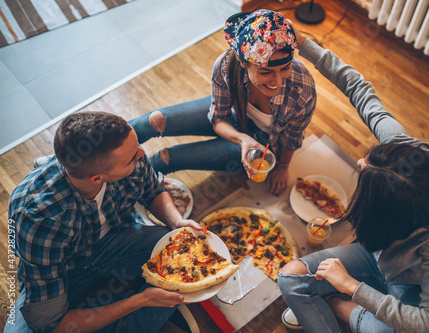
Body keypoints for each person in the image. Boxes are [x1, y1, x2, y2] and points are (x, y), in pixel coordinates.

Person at [277, 26, 429, 332]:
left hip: (406, 287)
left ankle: (340, 308)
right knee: (289, 277)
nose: (359, 161)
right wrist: (304, 43)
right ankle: (342, 308)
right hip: (372, 256)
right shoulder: (403, 150)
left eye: (364, 172)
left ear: (389, 213)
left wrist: (352, 289)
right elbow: (358, 87)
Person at [6, 111, 202, 332]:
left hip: (117, 239)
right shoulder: (38, 219)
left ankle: (126, 307)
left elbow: (152, 190)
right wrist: (141, 301)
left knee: (185, 253)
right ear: (96, 179)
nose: (141, 154)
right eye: (132, 157)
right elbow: (52, 324)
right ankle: (132, 302)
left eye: (136, 146)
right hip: (64, 271)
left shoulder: (128, 154)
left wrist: (176, 222)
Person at [129, 9, 317, 195]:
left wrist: (282, 167)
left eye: (285, 68)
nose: (277, 82)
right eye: (265, 72)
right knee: (155, 120)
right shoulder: (226, 64)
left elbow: (291, 138)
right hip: (232, 116)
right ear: (244, 63)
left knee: (166, 158)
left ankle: (129, 189)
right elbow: (219, 119)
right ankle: (105, 156)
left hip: (262, 142)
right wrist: (242, 138)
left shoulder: (302, 90)